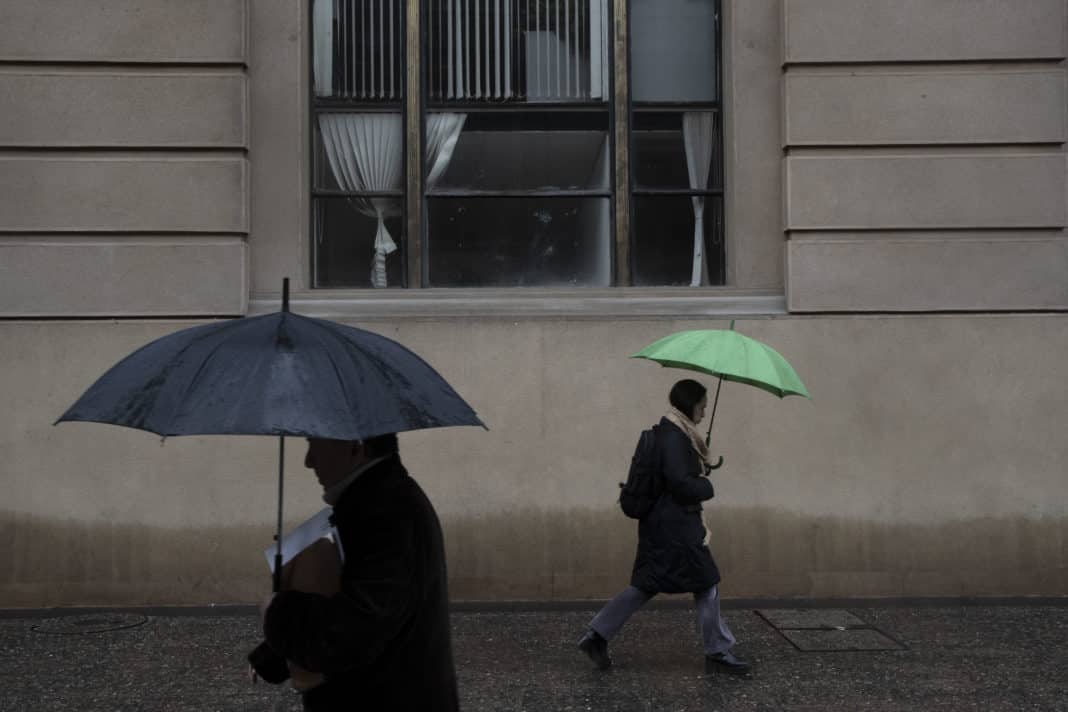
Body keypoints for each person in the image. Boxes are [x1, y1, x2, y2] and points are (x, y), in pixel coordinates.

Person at [248, 434, 460, 711]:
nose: (308, 461)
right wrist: (273, 655)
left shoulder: (387, 514)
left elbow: (354, 629)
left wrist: (278, 612)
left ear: (355, 446)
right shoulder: (373, 503)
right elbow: (349, 597)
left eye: (314, 444)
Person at [578, 379, 751, 676]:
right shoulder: (674, 437)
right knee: (707, 583)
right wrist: (705, 483)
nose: (705, 412)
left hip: (662, 525)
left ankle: (596, 636)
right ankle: (718, 652)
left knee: (646, 584)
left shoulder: (674, 433)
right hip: (676, 528)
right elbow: (680, 484)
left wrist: (696, 465)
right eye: (702, 405)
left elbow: (675, 474)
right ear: (690, 404)